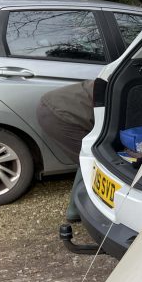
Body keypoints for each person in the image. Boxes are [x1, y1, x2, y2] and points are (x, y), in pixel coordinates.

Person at [36, 80, 95, 222]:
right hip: (60, 116)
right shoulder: (128, 90)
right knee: (93, 161)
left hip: (49, 104)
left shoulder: (119, 76)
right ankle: (76, 211)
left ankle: (76, 209)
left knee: (88, 158)